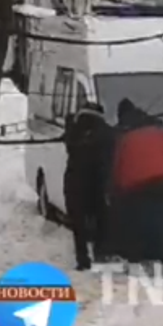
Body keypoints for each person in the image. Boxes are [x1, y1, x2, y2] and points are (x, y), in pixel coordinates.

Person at [110, 98, 163, 277]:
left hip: (135, 185)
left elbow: (117, 165)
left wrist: (116, 189)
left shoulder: (124, 136)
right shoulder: (158, 129)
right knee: (162, 224)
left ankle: (135, 262)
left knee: (135, 224)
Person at [63, 102, 115, 271]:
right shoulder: (106, 131)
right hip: (97, 181)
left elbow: (69, 142)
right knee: (101, 218)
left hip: (74, 180)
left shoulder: (74, 129)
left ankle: (82, 258)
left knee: (78, 223)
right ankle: (101, 253)